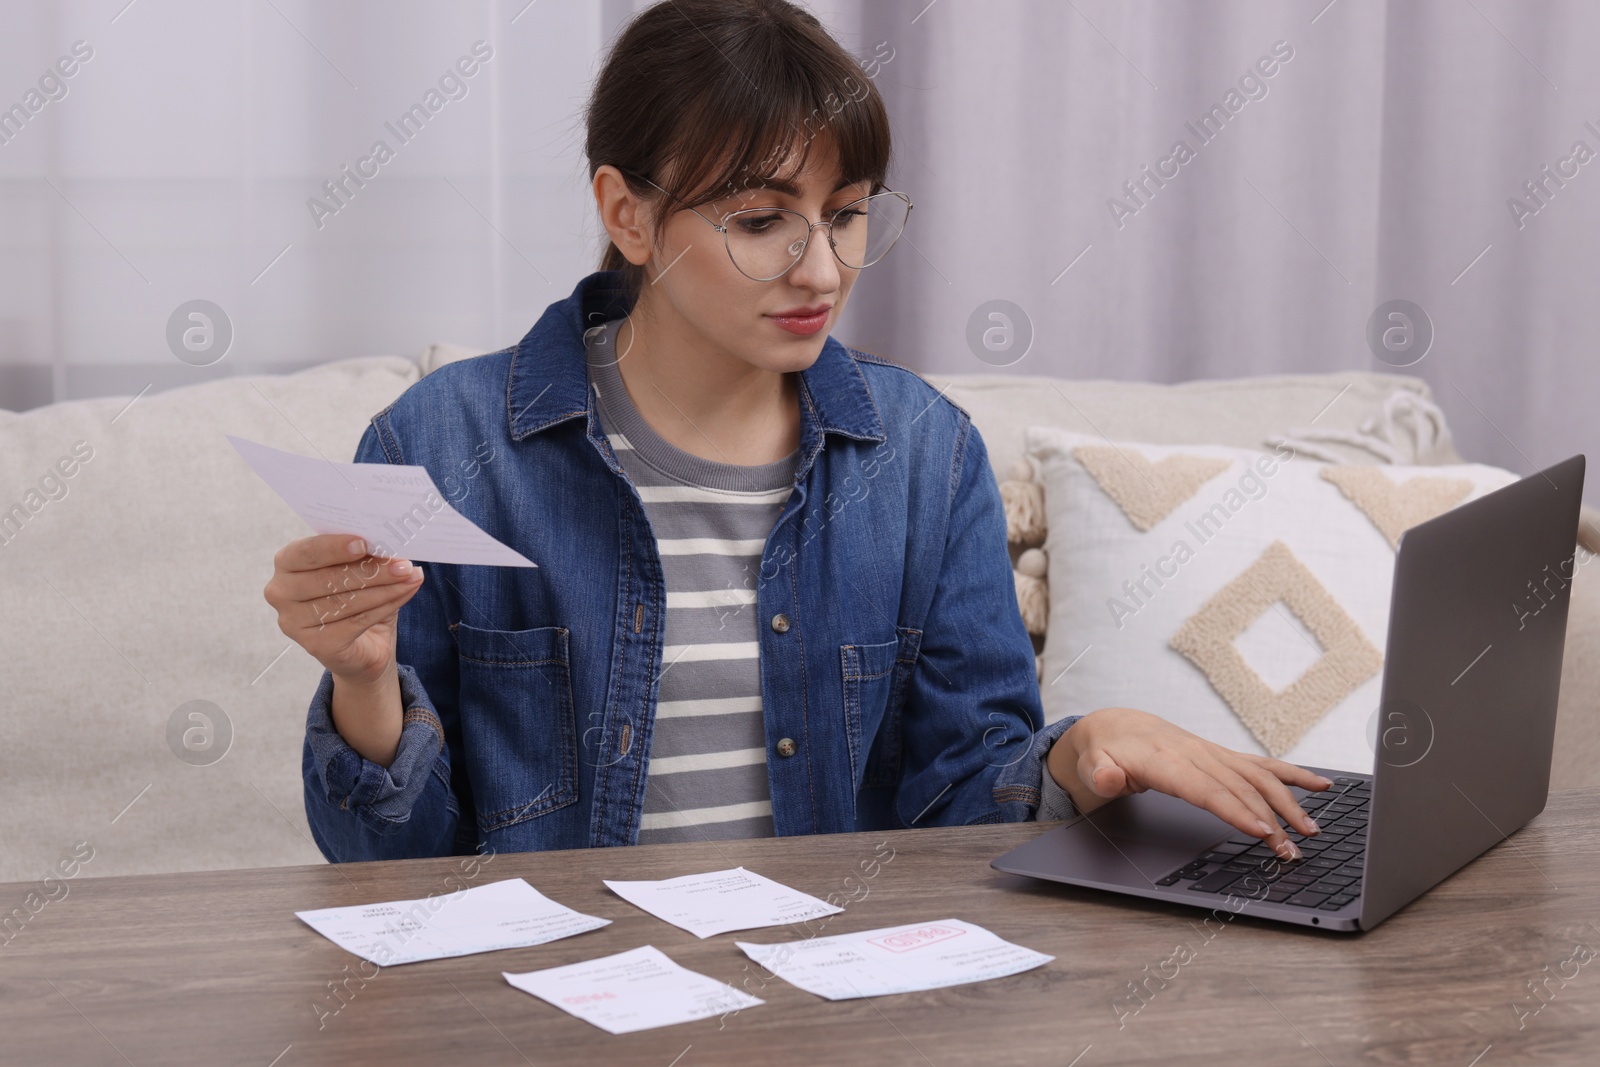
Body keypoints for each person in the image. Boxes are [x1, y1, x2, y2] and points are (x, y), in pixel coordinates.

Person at [264, 0, 1327, 864]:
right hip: (549, 1004)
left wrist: (1076, 752)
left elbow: (959, 800)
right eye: (763, 220)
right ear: (627, 213)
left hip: (832, 996)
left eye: (848, 211)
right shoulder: (444, 446)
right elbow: (381, 862)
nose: (820, 269)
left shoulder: (923, 454)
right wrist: (363, 682)